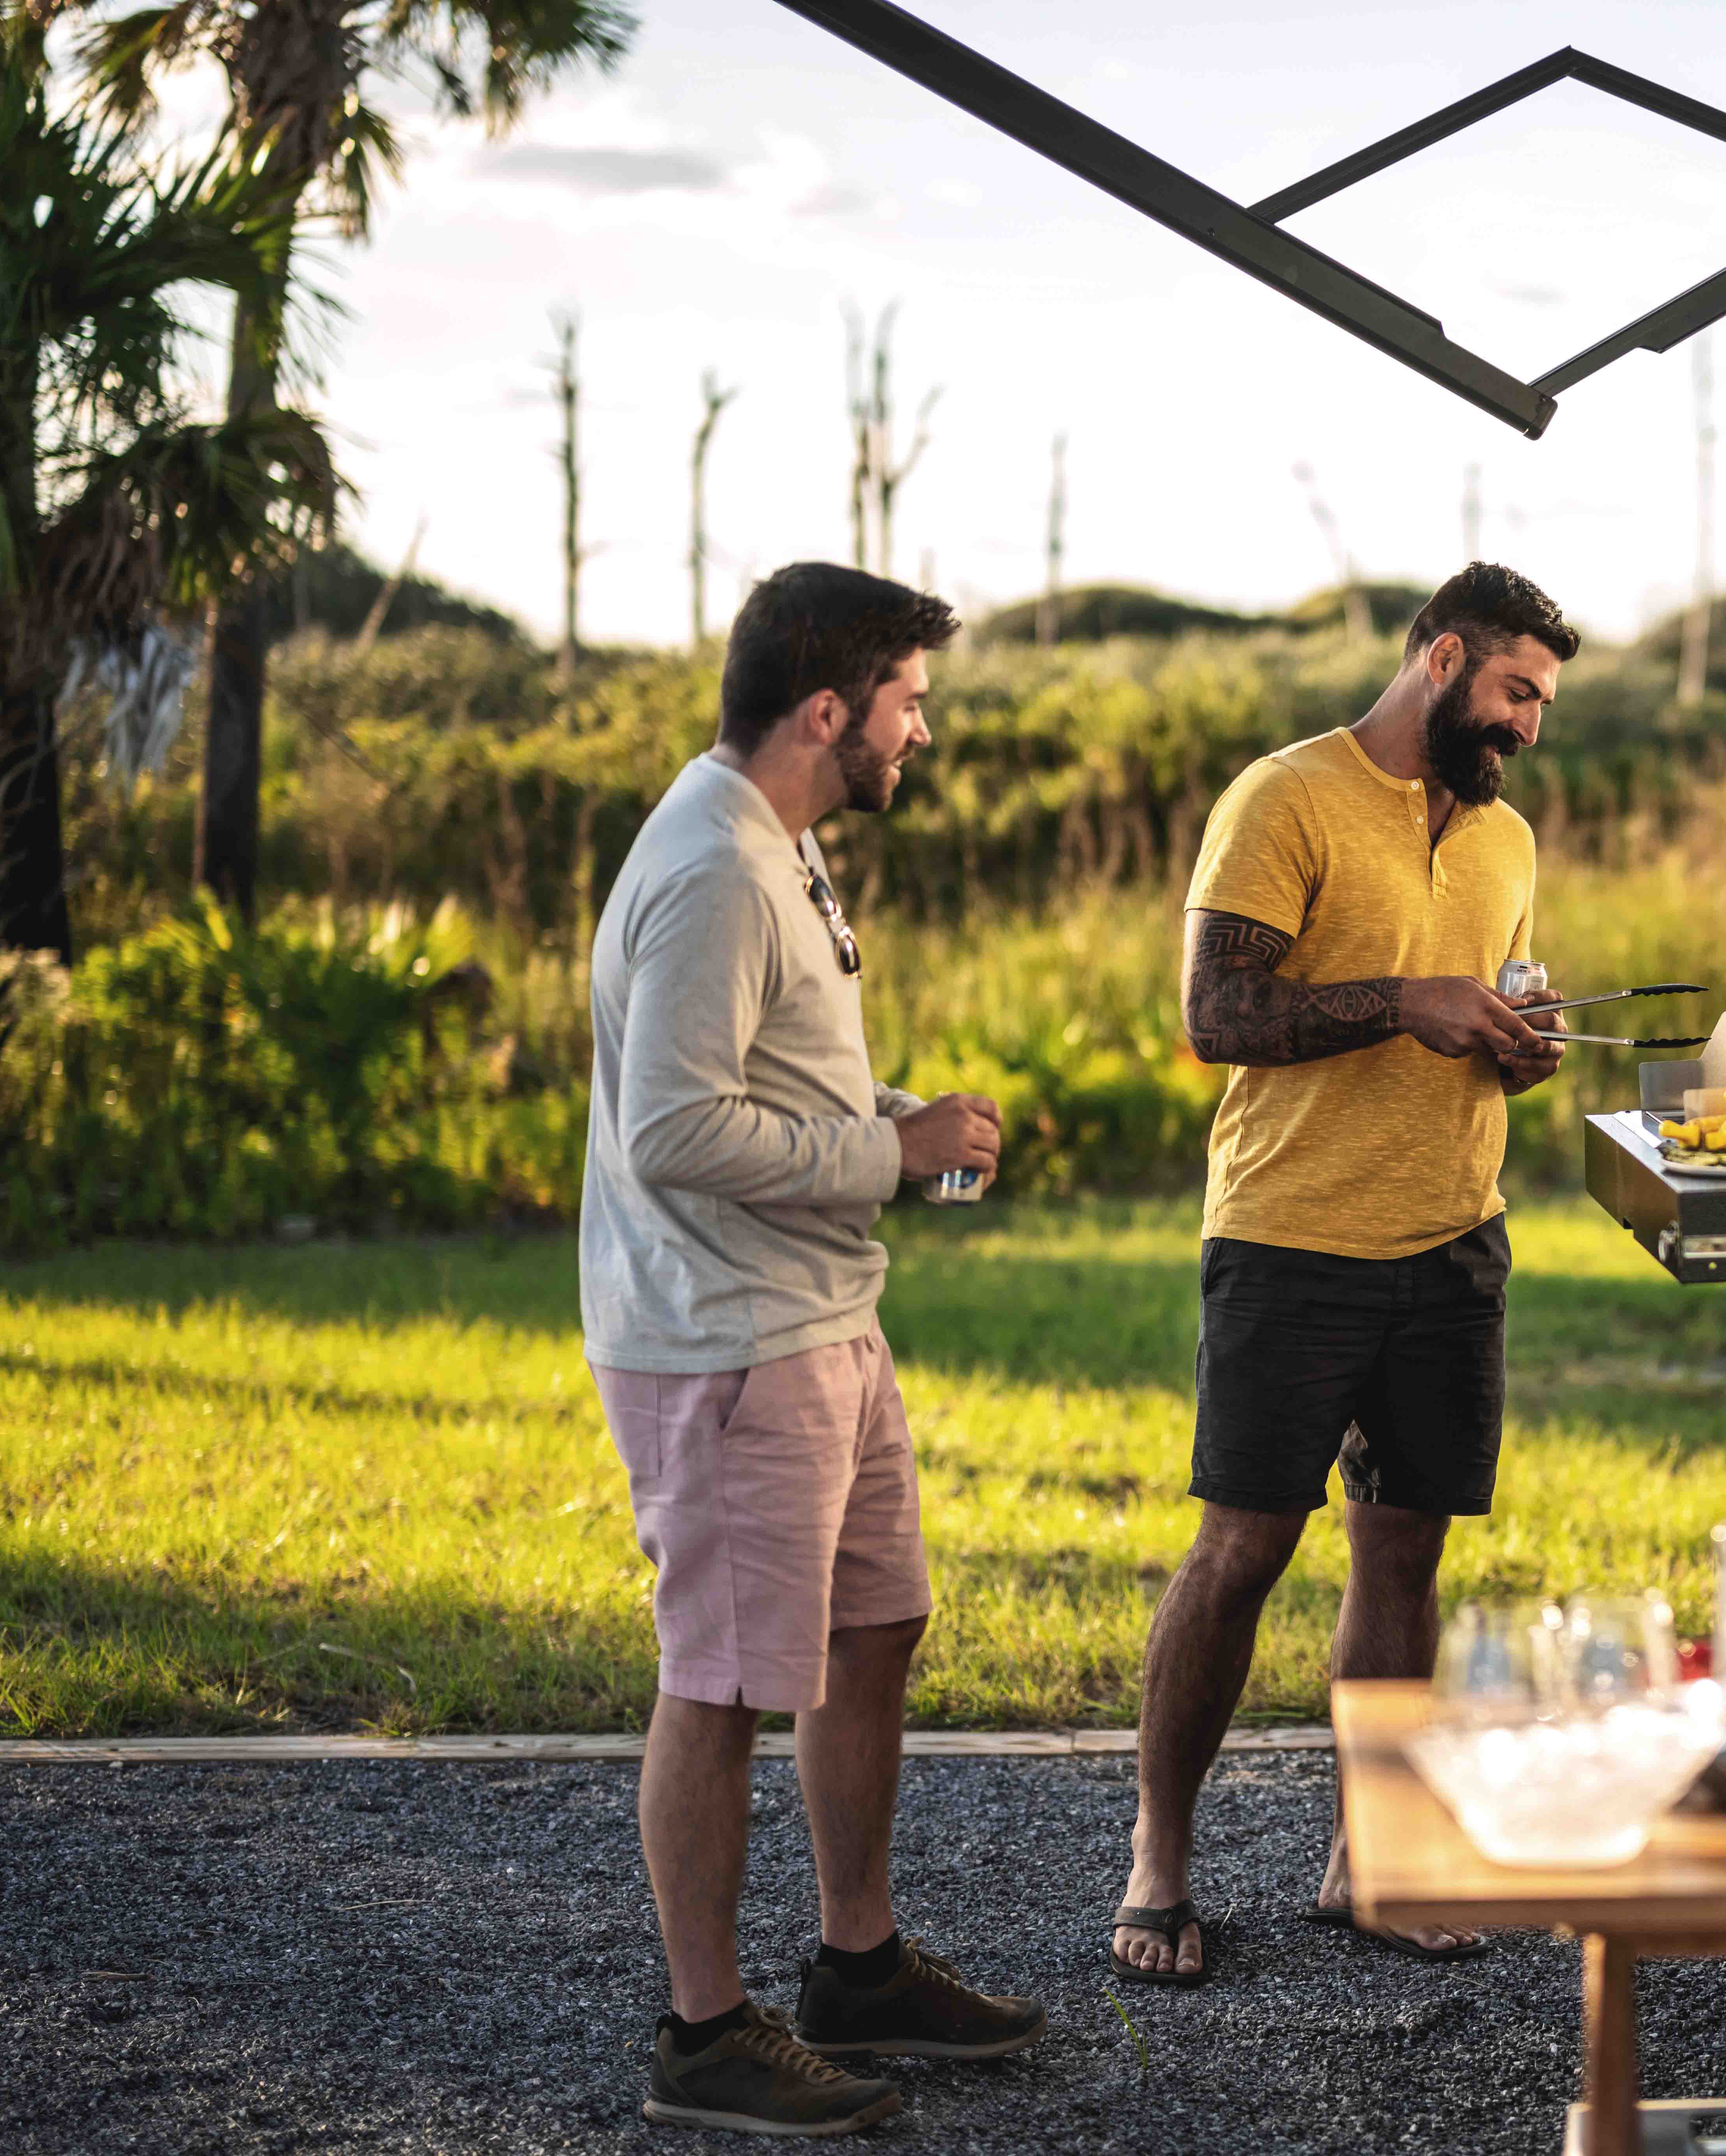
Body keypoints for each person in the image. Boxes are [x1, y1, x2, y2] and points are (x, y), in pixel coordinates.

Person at [581, 562, 1043, 2136]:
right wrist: (887, 1161)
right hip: (727, 1342)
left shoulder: (781, 846)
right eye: (911, 700)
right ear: (831, 710)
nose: (926, 728)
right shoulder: (714, 860)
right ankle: (704, 2032)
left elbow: (760, 1074)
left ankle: (858, 1965)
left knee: (876, 1627)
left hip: (818, 1317)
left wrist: (896, 1119)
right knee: (718, 1682)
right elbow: (673, 1124)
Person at [1109, 564, 1578, 1986]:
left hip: (1454, 1239)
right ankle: (1158, 1864)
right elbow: (1217, 1014)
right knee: (1243, 1550)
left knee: (1406, 1553)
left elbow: (1466, 1020)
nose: (1528, 729)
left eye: (1544, 705)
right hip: (1290, 1240)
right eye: (1515, 693)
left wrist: (1513, 1040)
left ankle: (1367, 1861)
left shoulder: (1505, 844)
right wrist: (1407, 1003)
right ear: (1442, 661)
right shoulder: (1285, 799)